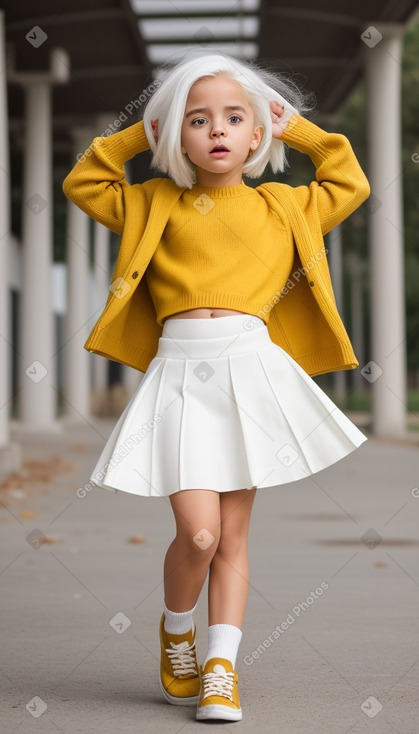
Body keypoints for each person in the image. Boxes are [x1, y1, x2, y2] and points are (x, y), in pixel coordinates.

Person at [62, 51, 370, 723]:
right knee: (197, 535)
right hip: (179, 372)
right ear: (176, 136)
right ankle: (178, 634)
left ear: (257, 133)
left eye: (235, 117)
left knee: (231, 538)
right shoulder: (151, 201)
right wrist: (138, 134)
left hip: (249, 372)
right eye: (197, 120)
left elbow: (348, 183)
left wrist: (304, 132)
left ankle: (220, 670)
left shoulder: (282, 205)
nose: (218, 130)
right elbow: (85, 182)